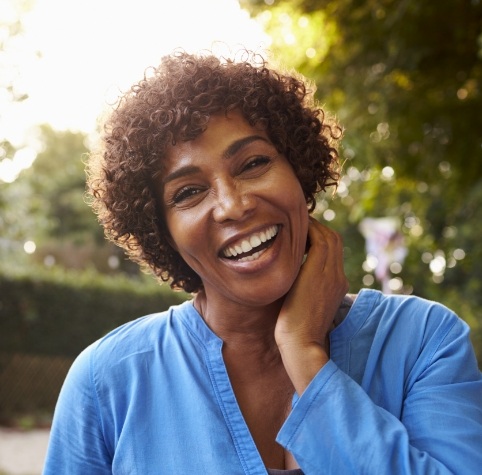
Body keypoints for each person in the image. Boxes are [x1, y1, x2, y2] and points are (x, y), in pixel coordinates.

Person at [43, 49, 482, 475]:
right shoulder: (107, 382)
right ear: (163, 233)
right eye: (189, 192)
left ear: (299, 171)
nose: (233, 205)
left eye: (253, 163)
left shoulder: (423, 340)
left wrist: (304, 353)